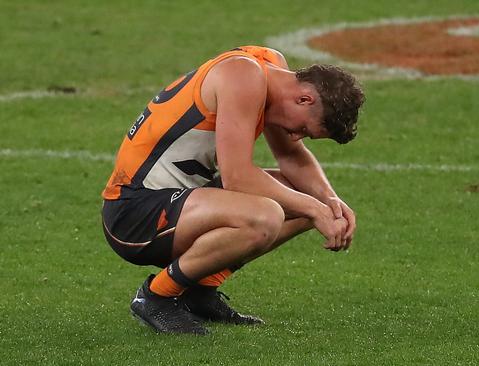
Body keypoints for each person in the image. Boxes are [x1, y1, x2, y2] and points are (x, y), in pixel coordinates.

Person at [100, 46, 365, 335]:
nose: (296, 136)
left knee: (306, 198)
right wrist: (315, 211)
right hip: (134, 211)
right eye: (303, 128)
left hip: (186, 200)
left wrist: (329, 202)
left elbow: (291, 157)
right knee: (265, 215)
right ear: (304, 98)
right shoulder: (242, 77)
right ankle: (156, 297)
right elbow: (237, 177)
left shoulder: (270, 68)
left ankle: (200, 292)